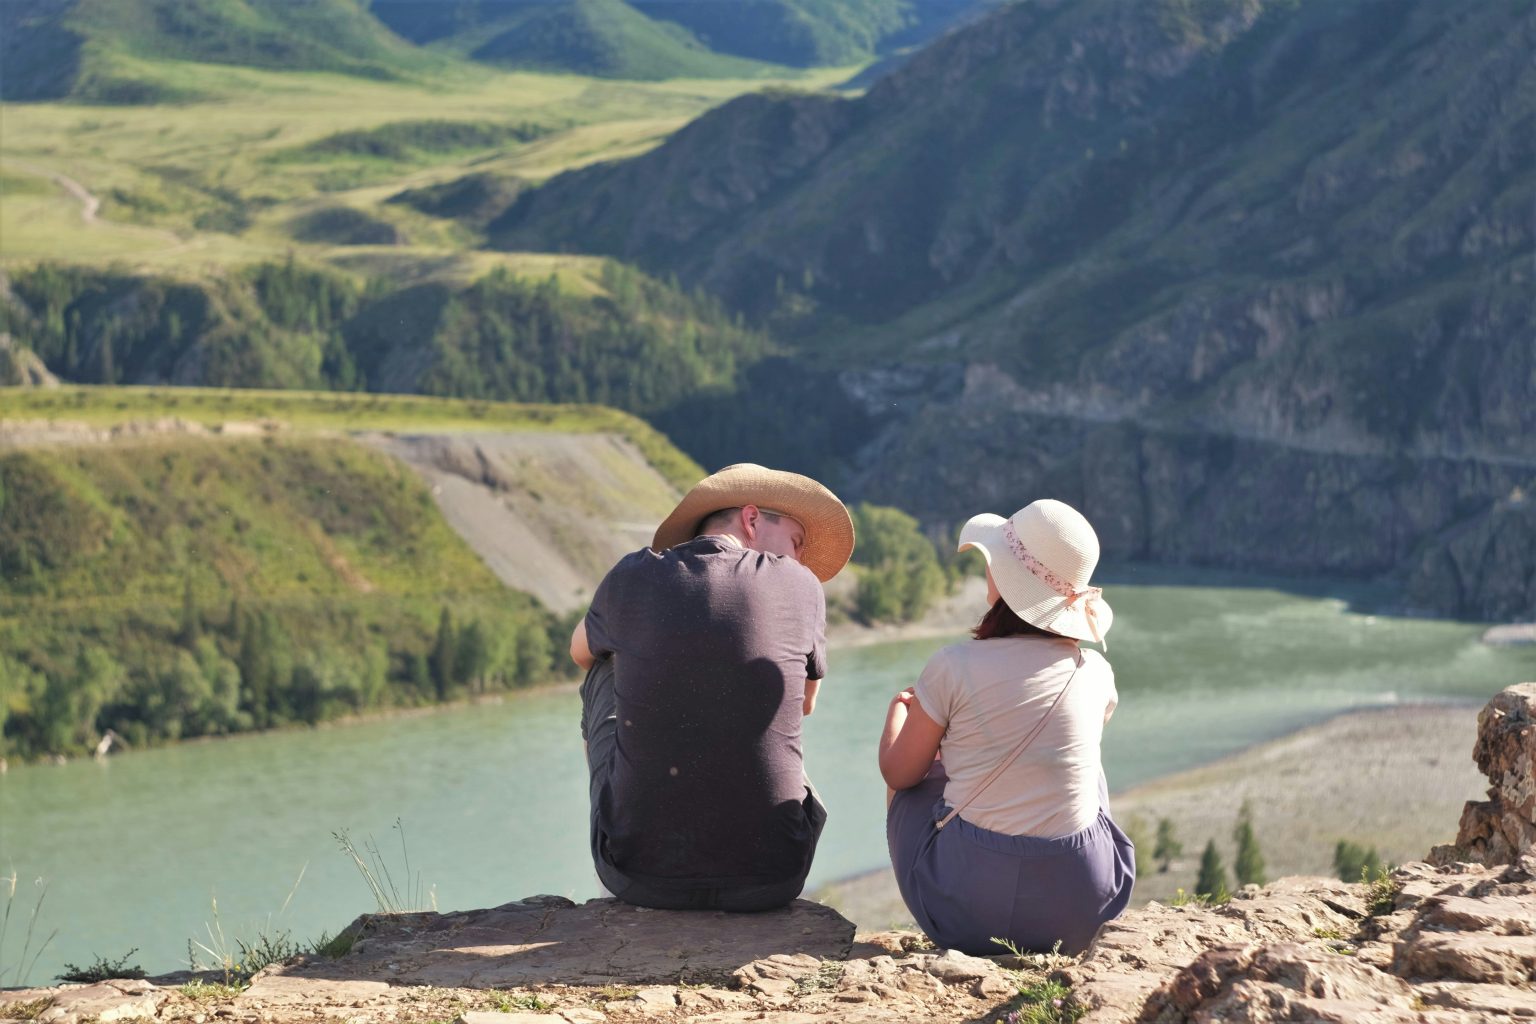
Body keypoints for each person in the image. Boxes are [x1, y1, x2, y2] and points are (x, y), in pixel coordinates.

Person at [570, 463, 855, 911]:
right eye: (797, 543)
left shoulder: (630, 575)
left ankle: (633, 841)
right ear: (752, 519)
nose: (799, 560)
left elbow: (580, 653)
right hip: (774, 875)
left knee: (603, 670)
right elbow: (805, 703)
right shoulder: (800, 585)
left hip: (638, 879)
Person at [880, 498, 1133, 955]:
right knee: (1087, 769)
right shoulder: (1094, 672)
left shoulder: (952, 665)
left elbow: (899, 774)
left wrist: (898, 714)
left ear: (1005, 576)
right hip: (1080, 910)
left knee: (918, 778)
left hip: (969, 915)